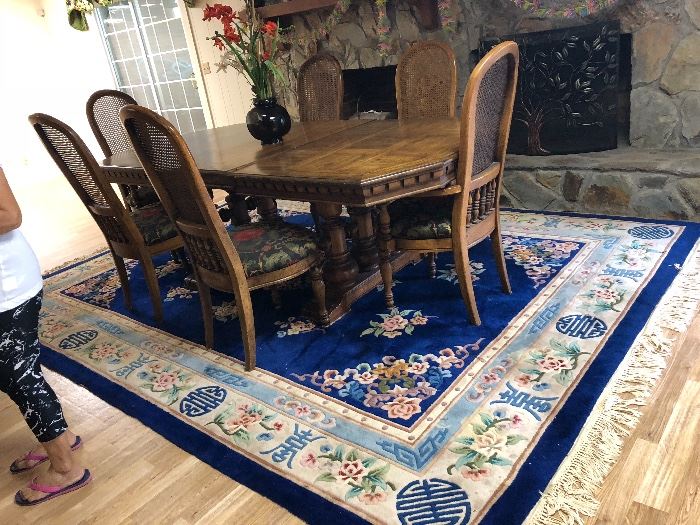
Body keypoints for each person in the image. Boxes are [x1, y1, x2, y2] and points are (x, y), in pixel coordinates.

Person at [0, 166, 90, 505]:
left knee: (18, 376)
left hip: (9, 288)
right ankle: (61, 435)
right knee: (16, 374)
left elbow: (9, 215)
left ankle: (65, 469)